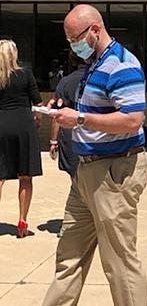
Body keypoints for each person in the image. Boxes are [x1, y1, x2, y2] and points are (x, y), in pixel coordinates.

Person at [0, 5, 147, 306]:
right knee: (68, 257)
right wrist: (62, 109)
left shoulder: (123, 65)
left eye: (76, 39)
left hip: (114, 171)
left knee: (120, 262)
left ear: (95, 31)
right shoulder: (93, 66)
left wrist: (81, 119)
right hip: (86, 172)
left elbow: (132, 120)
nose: (73, 46)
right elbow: (93, 108)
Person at [0, 39, 43, 239]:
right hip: (23, 124)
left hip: (1, 124)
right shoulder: (25, 74)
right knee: (25, 176)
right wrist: (37, 122)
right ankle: (22, 222)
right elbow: (37, 103)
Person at [48, 52, 85, 207]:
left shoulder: (65, 82)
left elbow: (58, 114)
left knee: (76, 180)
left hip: (70, 136)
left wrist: (53, 141)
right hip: (95, 135)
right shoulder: (99, 78)